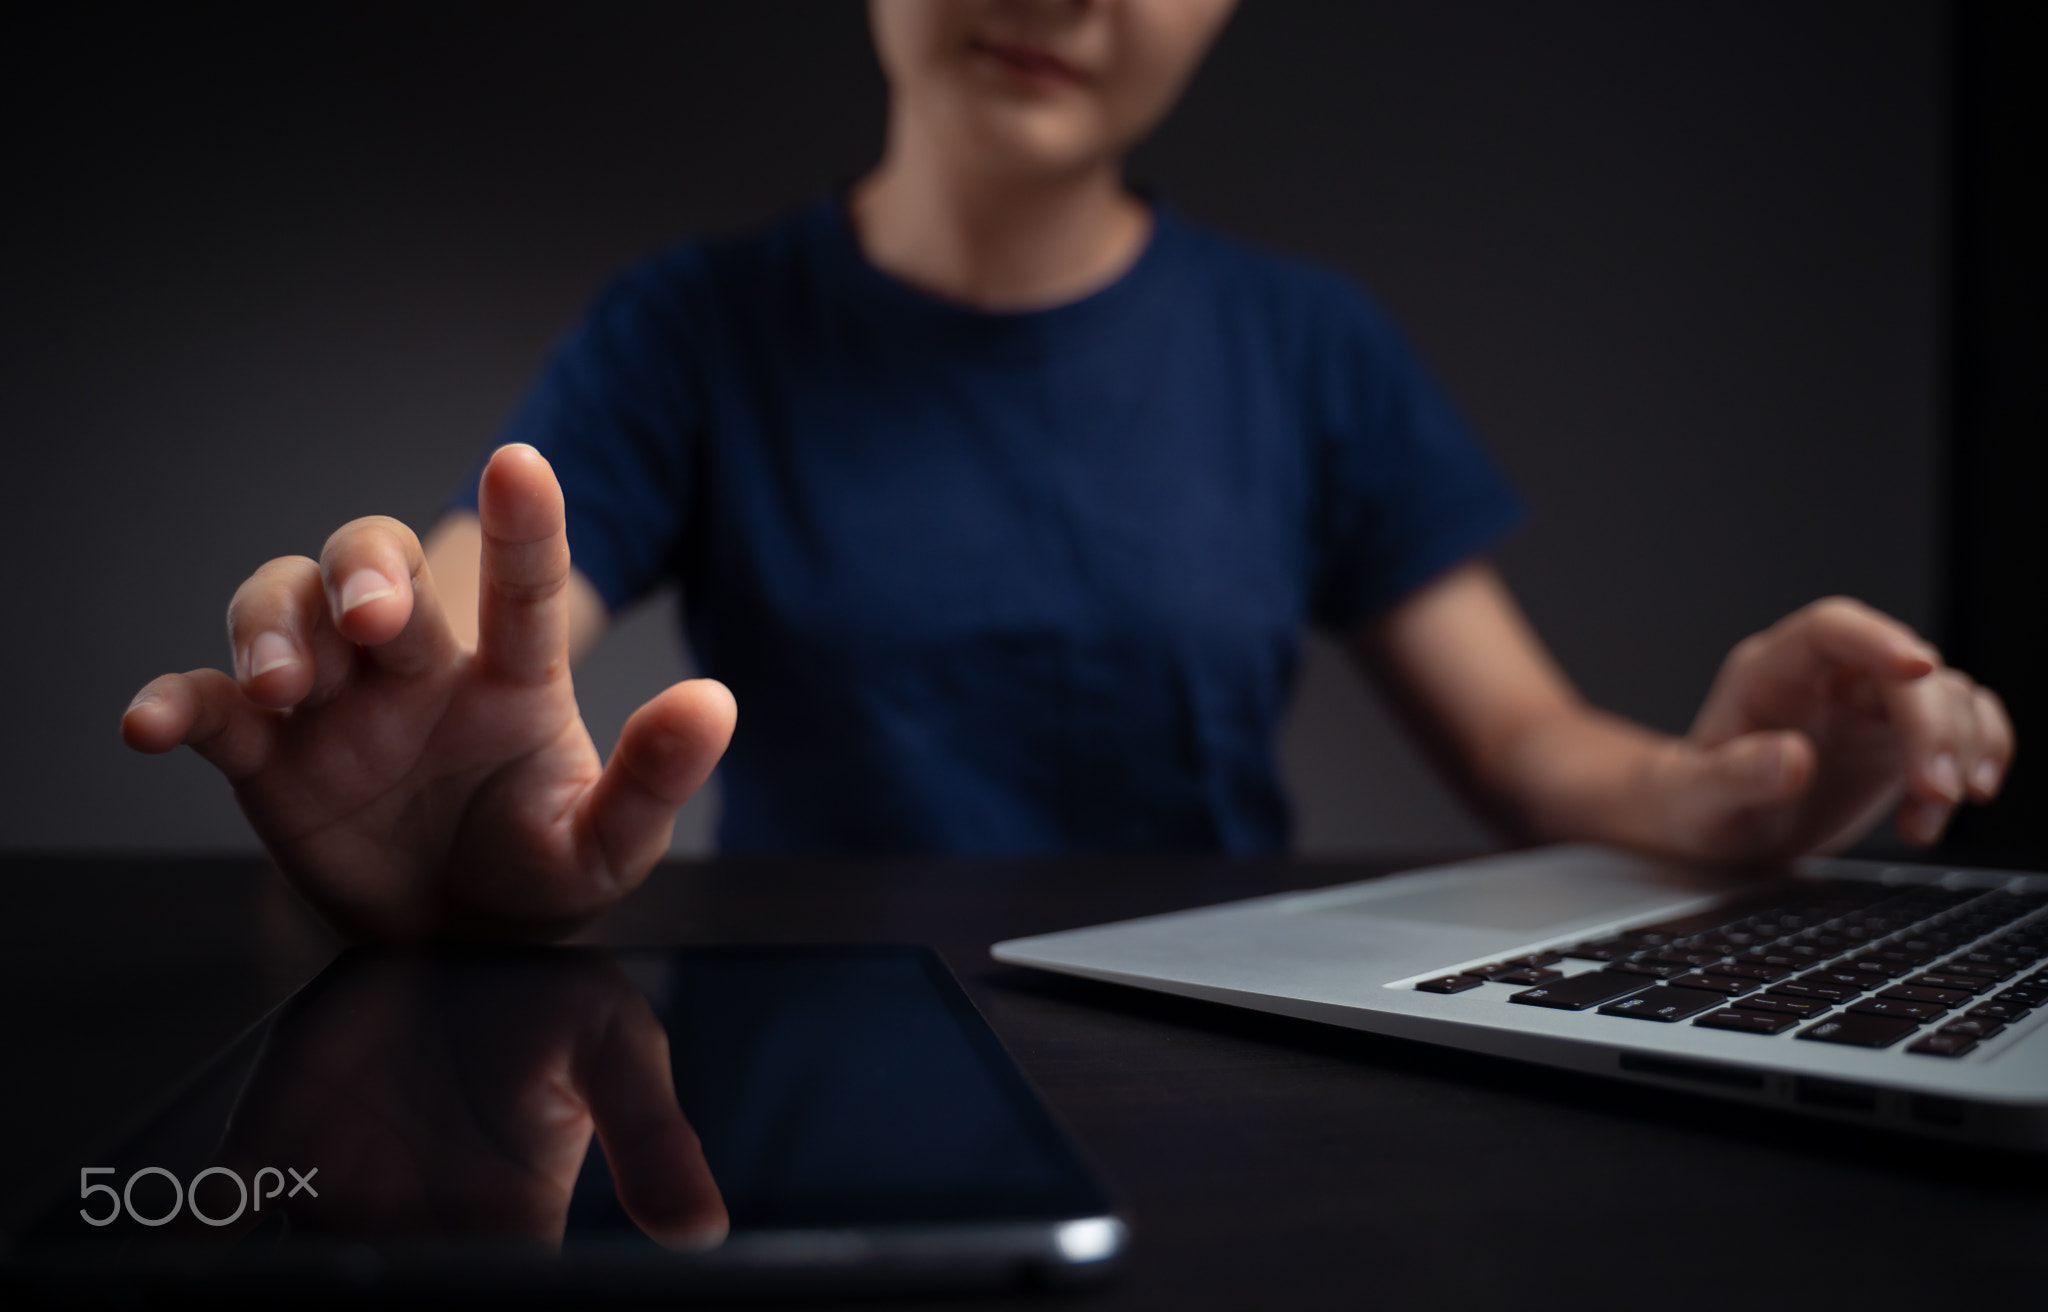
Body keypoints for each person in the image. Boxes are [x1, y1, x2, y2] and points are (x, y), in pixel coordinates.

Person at [121, 0, 2012, 942]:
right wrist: (403, 713)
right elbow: (468, 637)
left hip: (1240, 1070)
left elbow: (1531, 748)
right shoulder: (691, 331)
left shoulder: (1310, 348)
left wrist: (1735, 788)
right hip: (803, 1063)